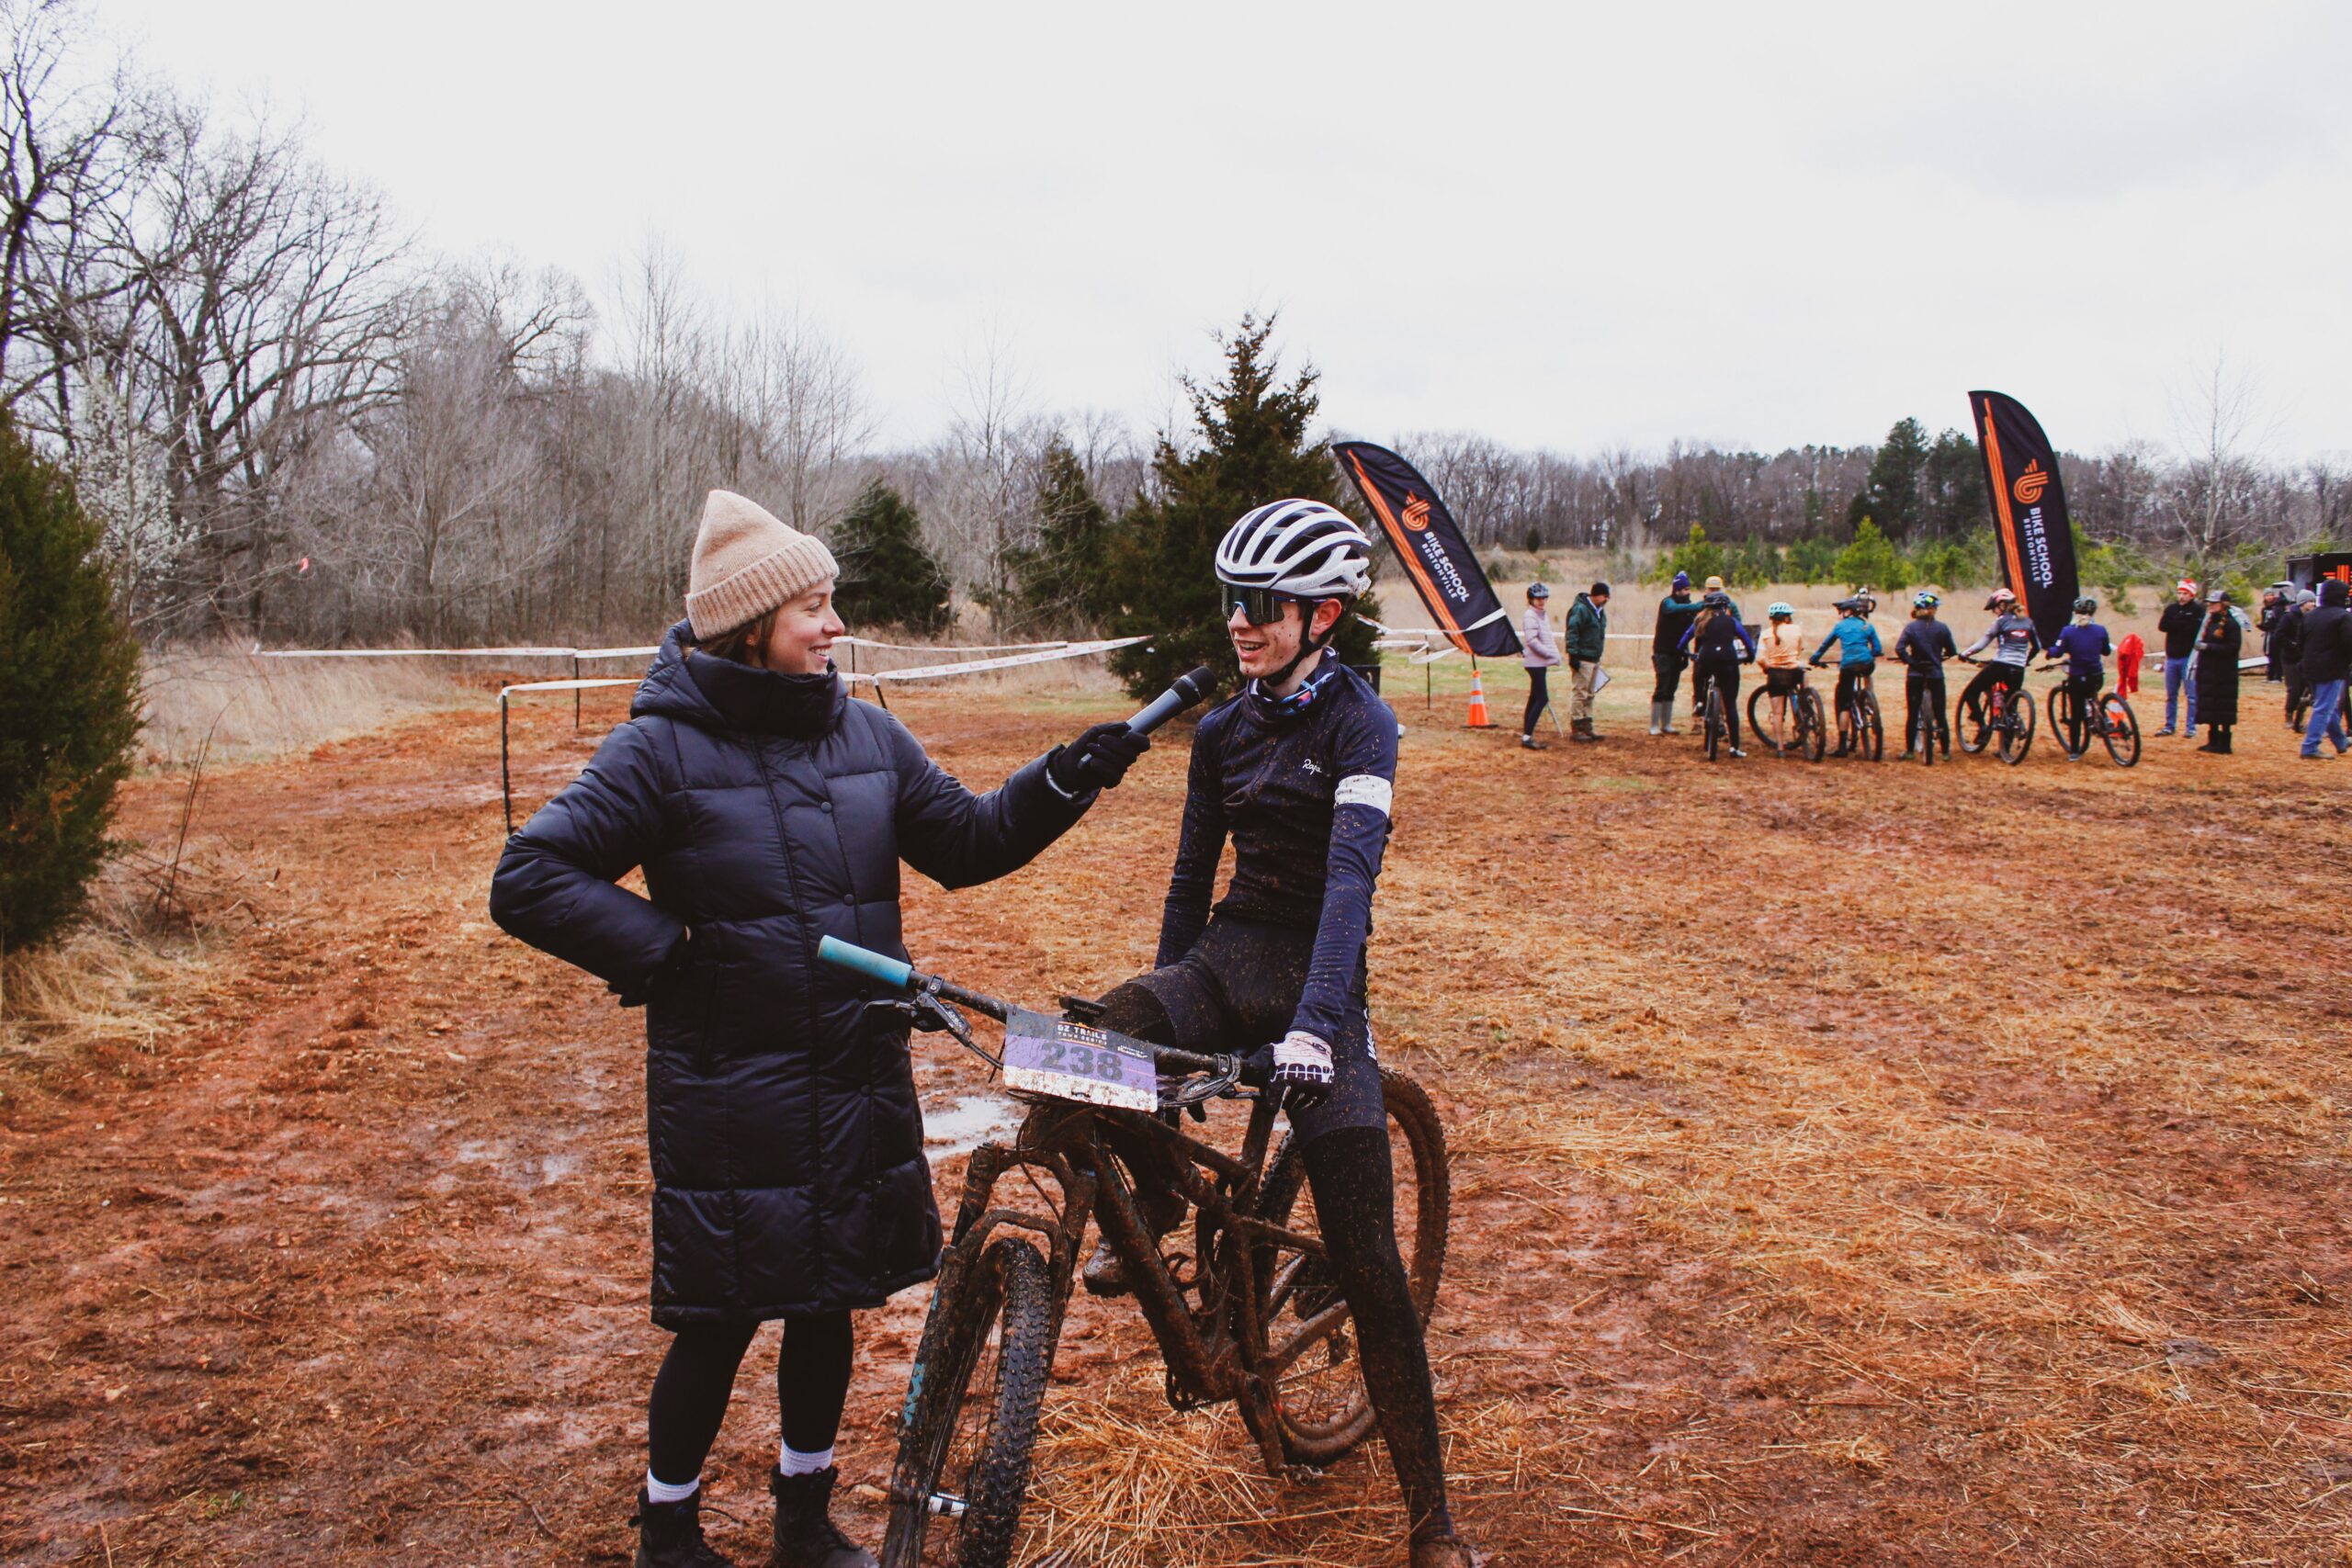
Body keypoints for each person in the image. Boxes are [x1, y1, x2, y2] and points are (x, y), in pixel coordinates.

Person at [489, 490, 1151, 1568]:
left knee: (828, 1300)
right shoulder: (659, 751)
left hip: (853, 1070)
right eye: (813, 606)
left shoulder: (868, 734)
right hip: (729, 1085)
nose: (835, 624)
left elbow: (971, 841)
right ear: (752, 624)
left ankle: (805, 1520)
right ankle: (668, 1532)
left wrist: (1064, 778)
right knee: (719, 1317)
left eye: (832, 601)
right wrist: (674, 955)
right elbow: (529, 878)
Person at [1080, 499, 1479, 1568]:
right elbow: (1188, 878)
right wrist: (1165, 995)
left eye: (1262, 605)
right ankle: (1164, 1193)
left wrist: (1314, 1030)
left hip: (1320, 983)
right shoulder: (1223, 726)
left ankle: (1432, 1519)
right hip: (1229, 958)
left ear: (1325, 615)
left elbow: (1350, 884)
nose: (1239, 623)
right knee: (1101, 1038)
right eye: (1232, 602)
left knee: (1371, 1269)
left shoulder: (1362, 725)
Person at [1678, 588, 1757, 756]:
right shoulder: (1732, 621)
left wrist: (1684, 652)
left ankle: (1699, 701)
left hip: (1706, 659)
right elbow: (1747, 641)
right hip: (1728, 661)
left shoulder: (1700, 620)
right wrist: (1751, 656)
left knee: (1699, 671)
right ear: (1725, 607)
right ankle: (1735, 747)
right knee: (1730, 705)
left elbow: (1683, 640)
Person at [1957, 587, 2041, 731]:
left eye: (1994, 608)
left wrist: (1964, 654)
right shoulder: (2028, 621)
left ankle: (1983, 727)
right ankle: (2006, 749)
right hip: (2019, 668)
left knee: (1970, 692)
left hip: (2001, 665)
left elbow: (1982, 643)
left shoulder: (2001, 621)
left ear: (2002, 606)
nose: (1993, 612)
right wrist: (2025, 660)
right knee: (2010, 706)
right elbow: (2037, 647)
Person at [1809, 598, 1885, 754]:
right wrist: (1868, 654)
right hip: (1866, 663)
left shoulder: (1840, 626)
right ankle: (1868, 698)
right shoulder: (1867, 625)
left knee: (1844, 704)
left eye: (1841, 612)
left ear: (1848, 612)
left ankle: (1842, 746)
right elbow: (1877, 649)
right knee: (1867, 671)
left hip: (1849, 666)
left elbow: (1825, 645)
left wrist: (1814, 659)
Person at [1892, 590, 1960, 759]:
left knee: (1913, 713)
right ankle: (1945, 752)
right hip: (1935, 674)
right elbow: (1952, 651)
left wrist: (1910, 661)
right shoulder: (1942, 628)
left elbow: (1899, 648)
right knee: (1940, 713)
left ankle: (1909, 752)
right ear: (1934, 609)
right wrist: (1938, 658)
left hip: (1915, 674)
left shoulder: (1911, 627)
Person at [2044, 595, 2114, 758]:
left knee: (2076, 714)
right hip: (2097, 676)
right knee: (2092, 693)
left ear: (2075, 613)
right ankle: (2100, 717)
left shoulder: (2068, 631)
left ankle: (2075, 751)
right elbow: (2106, 651)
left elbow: (2058, 651)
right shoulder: (2101, 630)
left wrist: (2049, 653)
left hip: (2078, 677)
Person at [2298, 578, 2352, 759]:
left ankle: (2340, 740)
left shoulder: (2311, 615)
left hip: (2309, 667)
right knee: (2324, 707)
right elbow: (2348, 643)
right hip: (2332, 668)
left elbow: (2300, 641)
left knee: (2327, 706)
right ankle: (2310, 746)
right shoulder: (2343, 616)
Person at [1650, 571, 1700, 734]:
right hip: (1663, 652)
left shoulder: (1688, 608)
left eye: (1689, 589)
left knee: (1672, 688)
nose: (1688, 592)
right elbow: (1674, 609)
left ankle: (1666, 724)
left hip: (1678, 653)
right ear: (1677, 590)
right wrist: (1700, 606)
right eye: (1685, 589)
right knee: (1662, 686)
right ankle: (1654, 725)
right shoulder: (1667, 603)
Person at [2194, 586, 2243, 753]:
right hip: (2209, 672)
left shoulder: (2231, 624)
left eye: (2215, 603)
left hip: (2224, 673)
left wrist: (2209, 647)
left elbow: (2232, 647)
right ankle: (2213, 740)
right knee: (2211, 707)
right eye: (2210, 603)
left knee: (2223, 708)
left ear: (2223, 604)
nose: (2211, 606)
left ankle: (2224, 742)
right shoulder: (2211, 623)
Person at [1753, 602, 1807, 750]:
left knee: (1777, 713)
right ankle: (1806, 706)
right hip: (1794, 672)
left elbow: (1760, 658)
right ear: (1787, 617)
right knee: (1804, 673)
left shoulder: (1765, 634)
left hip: (1776, 674)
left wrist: (1767, 667)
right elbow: (1799, 650)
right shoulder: (1796, 629)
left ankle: (1780, 748)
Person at [2155, 578, 2203, 738]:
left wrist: (2177, 624)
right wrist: (2180, 623)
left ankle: (2191, 727)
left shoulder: (2198, 610)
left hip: (2188, 658)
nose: (2182, 596)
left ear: (2192, 595)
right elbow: (2163, 626)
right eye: (2180, 593)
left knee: (2191, 695)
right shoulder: (2171, 609)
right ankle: (2170, 725)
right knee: (2171, 695)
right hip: (2172, 657)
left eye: (2185, 593)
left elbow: (2193, 629)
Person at [1564, 581, 1611, 741]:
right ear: (1596, 595)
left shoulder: (1599, 611)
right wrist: (1573, 655)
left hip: (1594, 658)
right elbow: (1572, 632)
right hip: (1583, 658)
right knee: (1580, 693)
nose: (1606, 600)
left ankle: (1587, 724)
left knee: (1590, 693)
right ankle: (1576, 726)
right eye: (1605, 596)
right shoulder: (1581, 610)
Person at [1520, 581, 1559, 750]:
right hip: (1535, 663)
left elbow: (1545, 638)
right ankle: (1527, 736)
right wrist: (1550, 654)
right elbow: (1532, 641)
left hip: (1539, 662)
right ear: (1531, 599)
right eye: (1538, 598)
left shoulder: (1541, 615)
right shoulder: (1530, 615)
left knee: (1535, 697)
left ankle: (1526, 734)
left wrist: (1553, 653)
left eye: (1544, 598)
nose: (1542, 601)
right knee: (1542, 698)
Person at [2280, 587, 2316, 728]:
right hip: (2290, 659)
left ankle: (2299, 719)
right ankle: (2289, 715)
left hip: (2305, 658)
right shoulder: (2288, 617)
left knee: (2306, 689)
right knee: (2294, 689)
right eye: (2310, 602)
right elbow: (2279, 636)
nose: (2313, 605)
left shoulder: (2312, 618)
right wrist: (2292, 645)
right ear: (2302, 603)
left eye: (2314, 601)